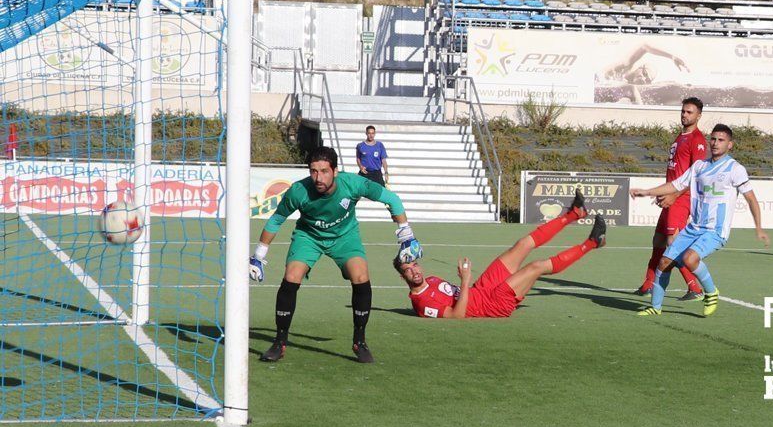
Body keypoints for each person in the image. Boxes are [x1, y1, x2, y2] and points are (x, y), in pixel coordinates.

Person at [248, 146, 414, 363]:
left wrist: (406, 235)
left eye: (324, 171)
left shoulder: (353, 184)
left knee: (361, 276)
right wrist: (258, 255)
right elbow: (276, 219)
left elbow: (392, 199)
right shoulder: (299, 191)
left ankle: (360, 341)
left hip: (345, 236)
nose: (318, 177)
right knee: (291, 276)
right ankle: (279, 342)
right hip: (310, 236)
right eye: (314, 171)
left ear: (335, 171)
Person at [393, 190, 606, 319]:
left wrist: (470, 286)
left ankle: (574, 214)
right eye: (408, 270)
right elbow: (456, 316)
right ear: (402, 277)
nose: (414, 270)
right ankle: (592, 243)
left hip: (483, 289)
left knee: (522, 244)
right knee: (536, 266)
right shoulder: (421, 303)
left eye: (414, 265)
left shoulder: (430, 280)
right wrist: (465, 281)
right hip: (493, 304)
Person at [629, 124, 769, 317]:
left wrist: (759, 227)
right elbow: (676, 185)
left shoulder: (735, 169)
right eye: (713, 139)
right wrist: (646, 191)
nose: (715, 143)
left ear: (730, 145)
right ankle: (655, 307)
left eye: (721, 140)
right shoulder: (699, 166)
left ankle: (711, 292)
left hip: (715, 230)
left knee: (689, 258)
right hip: (694, 227)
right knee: (664, 262)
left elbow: (751, 198)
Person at [634, 97, 708, 301]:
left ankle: (695, 288)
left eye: (690, 112)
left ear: (698, 115)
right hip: (670, 196)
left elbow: (697, 174)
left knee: (673, 243)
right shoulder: (679, 137)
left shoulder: (697, 140)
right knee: (658, 241)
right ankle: (648, 285)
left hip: (681, 198)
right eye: (683, 111)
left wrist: (675, 195)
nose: (685, 115)